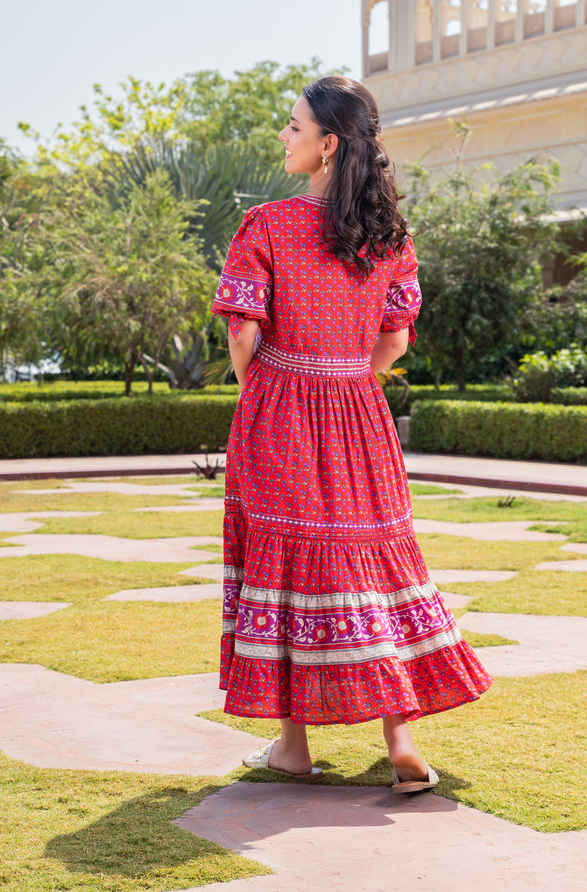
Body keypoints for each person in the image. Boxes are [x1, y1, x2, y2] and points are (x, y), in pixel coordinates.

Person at [211, 76, 492, 793]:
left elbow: (243, 334)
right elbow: (395, 343)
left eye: (295, 127)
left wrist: (271, 386)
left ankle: (293, 747)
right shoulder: (390, 237)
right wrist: (344, 378)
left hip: (280, 410)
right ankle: (401, 741)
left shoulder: (267, 225)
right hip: (361, 414)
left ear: (328, 144)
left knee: (285, 563)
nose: (284, 135)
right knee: (371, 560)